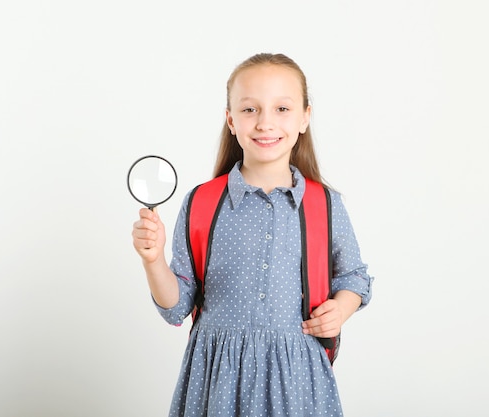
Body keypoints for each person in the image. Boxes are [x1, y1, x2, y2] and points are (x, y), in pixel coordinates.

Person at [132, 52, 374, 417]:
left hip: (297, 377)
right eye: (249, 110)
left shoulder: (324, 204)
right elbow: (177, 306)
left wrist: (341, 309)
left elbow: (355, 277)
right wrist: (153, 261)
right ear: (230, 120)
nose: (265, 123)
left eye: (282, 109)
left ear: (305, 117)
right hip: (218, 378)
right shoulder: (201, 202)